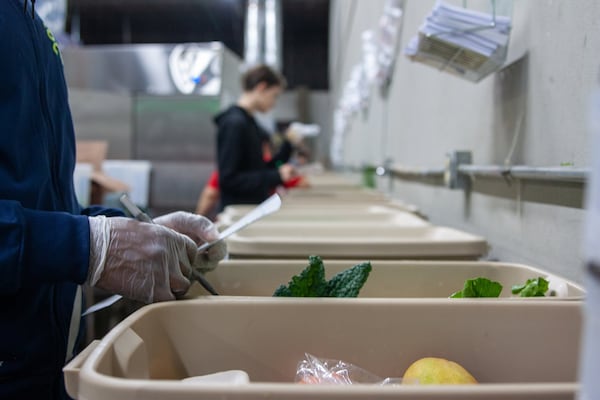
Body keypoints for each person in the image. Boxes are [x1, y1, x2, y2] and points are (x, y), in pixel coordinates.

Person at [0, 2, 227, 399]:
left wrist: (133, 232)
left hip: (46, 368)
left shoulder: (31, 24)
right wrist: (86, 245)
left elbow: (43, 205)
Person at [215, 64, 297, 211]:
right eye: (274, 96)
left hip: (250, 209)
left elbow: (259, 168)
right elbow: (229, 180)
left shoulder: (250, 123)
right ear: (261, 87)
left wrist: (288, 146)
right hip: (237, 212)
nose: (274, 103)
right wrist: (275, 176)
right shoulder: (235, 123)